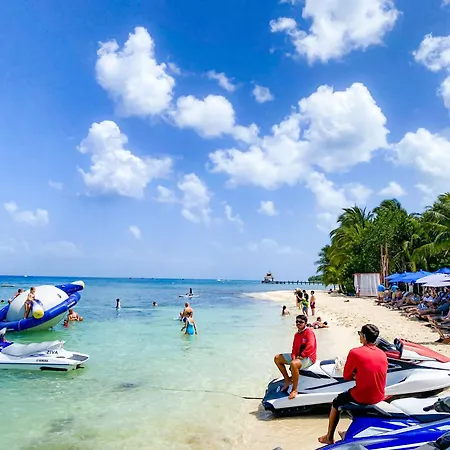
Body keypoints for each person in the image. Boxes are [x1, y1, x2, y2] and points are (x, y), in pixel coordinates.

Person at [318, 324, 388, 445]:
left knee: (336, 402)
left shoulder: (355, 352)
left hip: (363, 396)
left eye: (360, 334)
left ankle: (329, 437)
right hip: (379, 395)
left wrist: (356, 375)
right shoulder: (382, 354)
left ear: (364, 336)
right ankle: (349, 431)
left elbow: (346, 376)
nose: (359, 336)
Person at [274, 314, 317, 400]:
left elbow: (311, 346)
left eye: (301, 322)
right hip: (298, 357)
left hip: (308, 357)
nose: (298, 323)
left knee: (294, 364)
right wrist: (294, 358)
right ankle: (287, 380)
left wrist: (302, 355)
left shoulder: (309, 332)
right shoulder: (296, 335)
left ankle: (294, 389)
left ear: (305, 323)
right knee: (277, 358)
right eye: (297, 321)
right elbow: (294, 349)